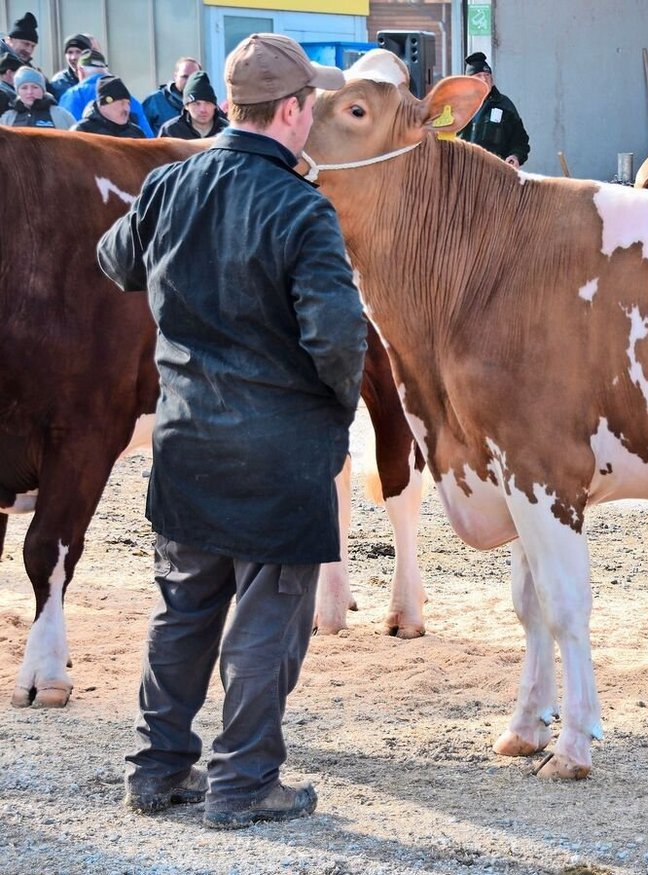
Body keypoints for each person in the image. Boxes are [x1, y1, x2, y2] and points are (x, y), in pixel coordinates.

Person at [98, 32, 364, 830]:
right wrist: (335, 407)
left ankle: (157, 770)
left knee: (182, 609)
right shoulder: (302, 208)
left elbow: (116, 261)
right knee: (265, 620)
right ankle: (244, 782)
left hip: (187, 439)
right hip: (277, 449)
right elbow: (339, 338)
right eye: (311, 103)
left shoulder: (169, 184)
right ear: (292, 110)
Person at [455, 51, 529, 167]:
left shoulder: (504, 105)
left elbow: (520, 142)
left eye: (487, 75)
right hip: (462, 175)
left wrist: (515, 156)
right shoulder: (455, 106)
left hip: (495, 176)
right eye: (479, 76)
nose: (485, 80)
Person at [61, 50, 155, 137]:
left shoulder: (72, 95)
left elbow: (64, 132)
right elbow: (148, 139)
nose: (126, 108)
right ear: (105, 69)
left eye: (126, 104)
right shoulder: (127, 96)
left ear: (80, 71)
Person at [0, 66, 77, 129]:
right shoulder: (8, 118)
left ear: (43, 90)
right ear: (18, 92)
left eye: (35, 87)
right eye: (24, 88)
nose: (29, 92)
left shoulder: (60, 114)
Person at [158, 70, 227, 139]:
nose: (203, 109)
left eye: (208, 103)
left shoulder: (227, 131)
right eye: (197, 104)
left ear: (215, 106)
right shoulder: (171, 131)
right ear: (186, 106)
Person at [72, 75, 146, 138]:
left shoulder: (137, 134)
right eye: (121, 103)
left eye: (128, 103)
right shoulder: (82, 132)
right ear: (103, 105)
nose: (127, 109)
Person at [142, 57, 201, 133]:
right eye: (185, 77)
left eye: (194, 77)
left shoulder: (208, 104)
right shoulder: (155, 101)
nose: (189, 82)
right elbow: (141, 134)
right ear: (175, 76)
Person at [49, 33, 93, 100]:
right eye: (70, 52)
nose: (73, 57)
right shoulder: (58, 82)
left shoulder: (99, 79)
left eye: (78, 52)